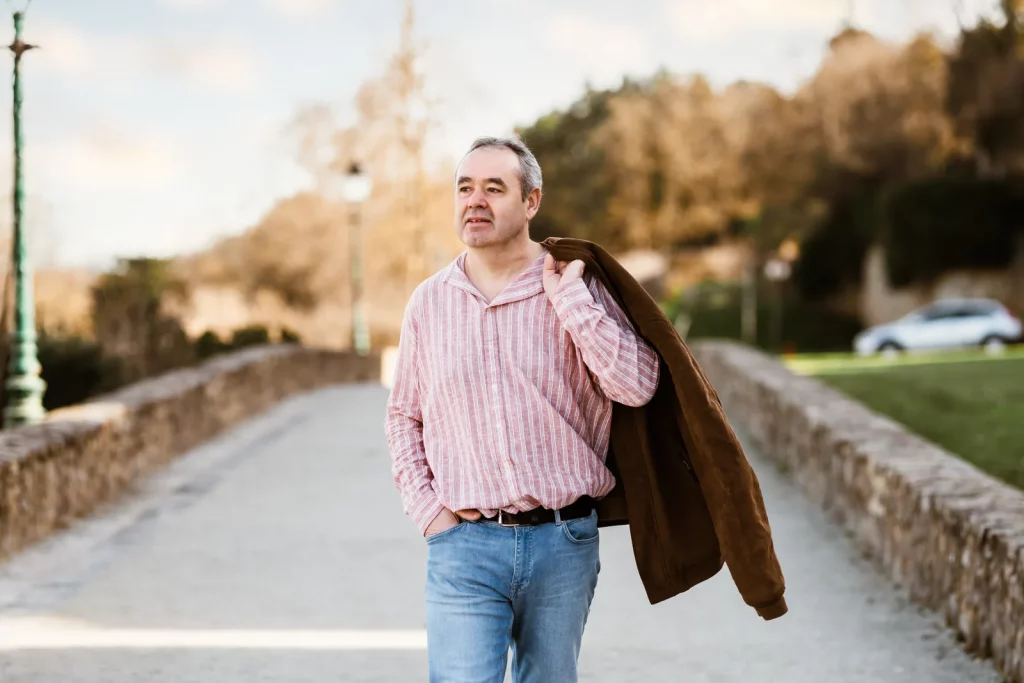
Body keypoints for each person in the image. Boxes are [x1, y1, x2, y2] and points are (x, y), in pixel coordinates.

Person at [384, 135, 660, 683]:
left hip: (564, 542)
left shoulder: (576, 286)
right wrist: (431, 515)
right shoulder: (428, 303)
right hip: (464, 547)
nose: (474, 201)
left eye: (494, 188)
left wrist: (573, 305)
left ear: (531, 202)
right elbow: (403, 416)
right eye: (464, 188)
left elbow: (638, 386)